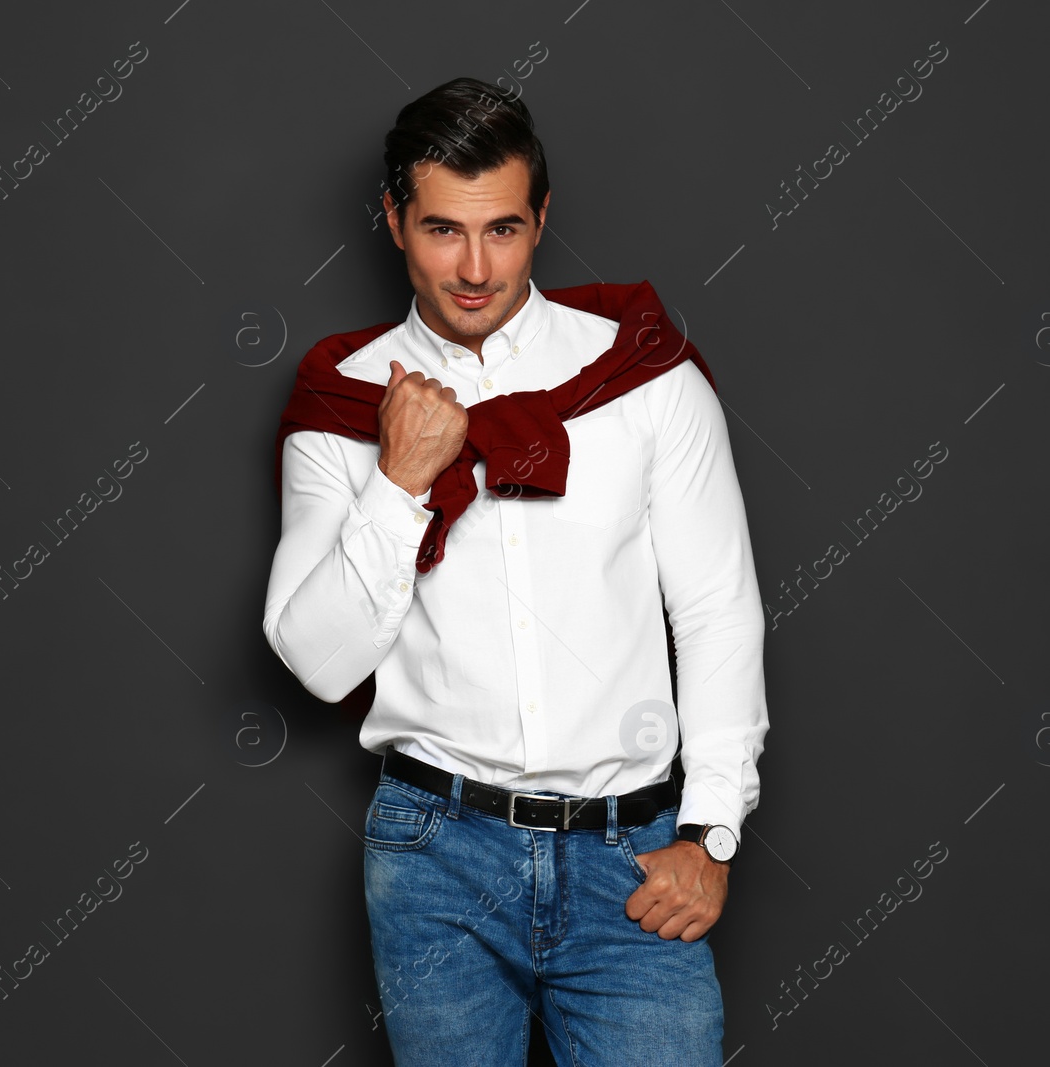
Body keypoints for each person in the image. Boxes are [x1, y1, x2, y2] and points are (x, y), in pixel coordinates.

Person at [263, 76, 768, 1066]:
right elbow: (318, 661)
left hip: (632, 848)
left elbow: (715, 608)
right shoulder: (341, 399)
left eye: (502, 228)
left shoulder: (644, 376)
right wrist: (401, 480)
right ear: (394, 222)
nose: (474, 267)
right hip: (434, 852)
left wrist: (710, 831)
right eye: (443, 230)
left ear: (542, 220)